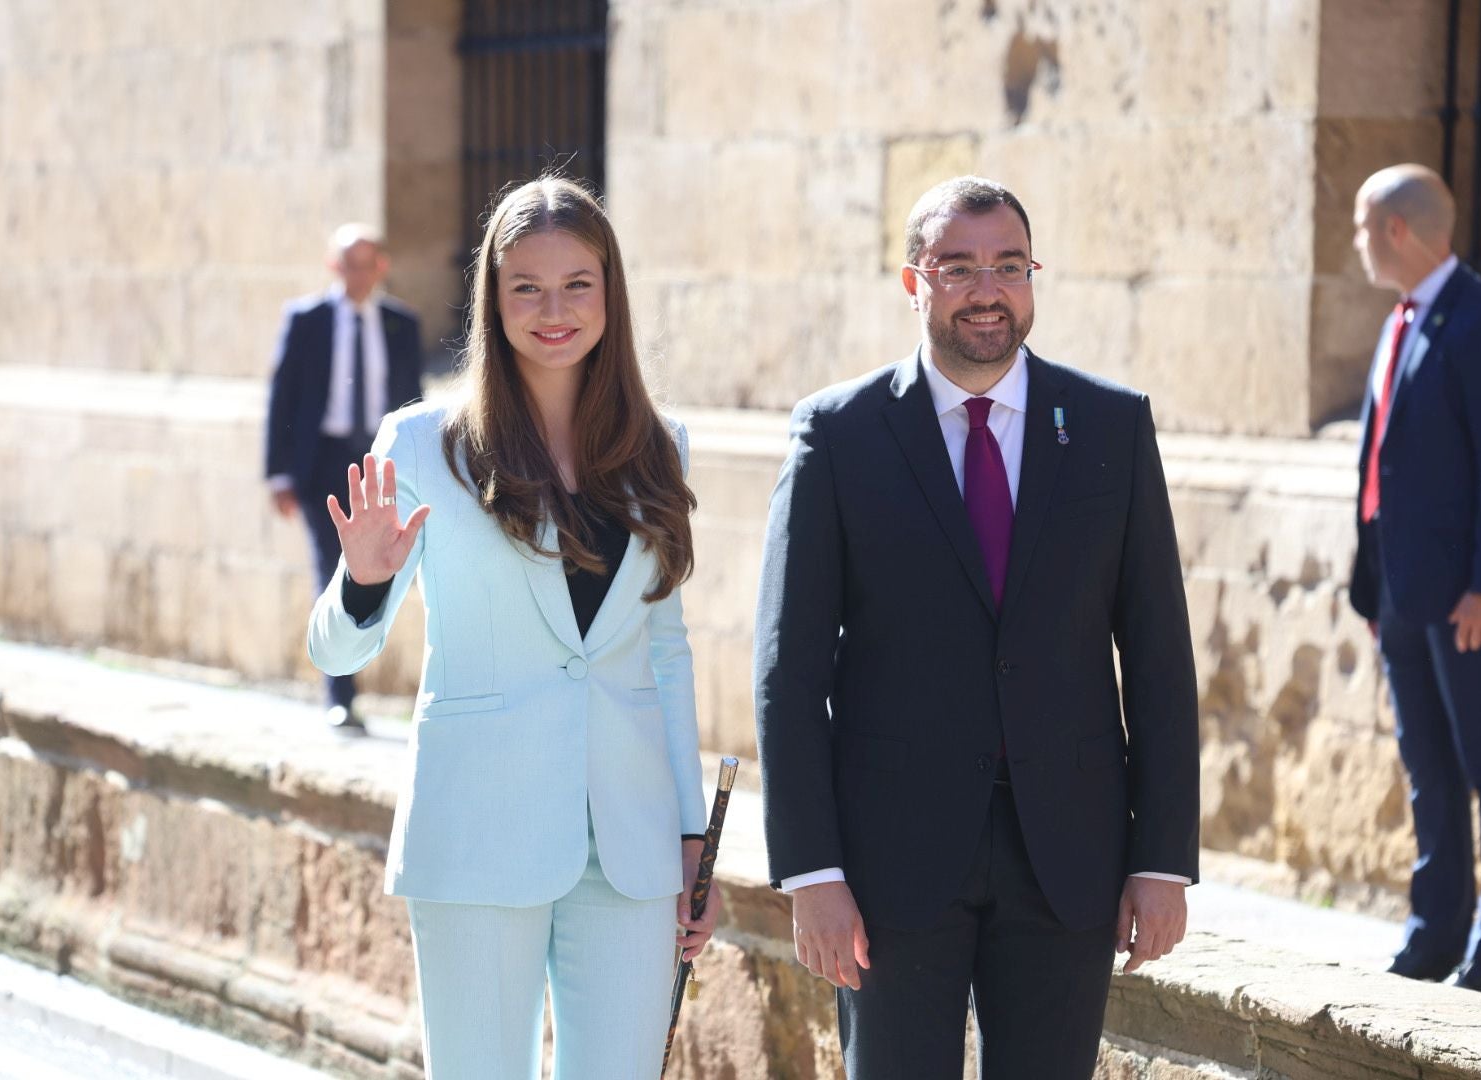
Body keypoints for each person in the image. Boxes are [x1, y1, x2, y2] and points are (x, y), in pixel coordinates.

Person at [753, 175, 1200, 1078]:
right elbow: (788, 673)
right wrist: (812, 872)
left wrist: (1162, 857)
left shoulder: (1113, 426)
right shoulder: (839, 436)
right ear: (913, 283)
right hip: (889, 867)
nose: (987, 290)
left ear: (1033, 277)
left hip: (1068, 859)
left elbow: (1157, 656)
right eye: (958, 268)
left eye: (1008, 266)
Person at [307, 176, 719, 1078]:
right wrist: (366, 581)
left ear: (610, 292)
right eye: (525, 285)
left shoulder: (663, 445)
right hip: (477, 833)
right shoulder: (420, 444)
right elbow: (335, 648)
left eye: (578, 283)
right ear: (492, 297)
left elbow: (663, 650)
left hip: (631, 843)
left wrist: (692, 834)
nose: (554, 308)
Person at [1347, 164, 1481, 997]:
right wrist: (1371, 590)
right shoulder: (1400, 321)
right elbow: (1386, 463)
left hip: (1467, 602)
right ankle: (1434, 932)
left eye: (1362, 226)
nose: (1356, 242)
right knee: (1428, 770)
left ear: (1398, 231)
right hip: (1402, 599)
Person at [265, 224, 424, 733]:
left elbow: (413, 399)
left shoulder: (402, 323)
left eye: (367, 263)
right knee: (329, 567)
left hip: (380, 462)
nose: (357, 274)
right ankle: (340, 694)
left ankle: (377, 680)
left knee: (385, 571)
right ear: (334, 268)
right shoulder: (307, 320)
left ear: (381, 266)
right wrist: (278, 474)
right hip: (323, 462)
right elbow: (282, 397)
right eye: (347, 264)